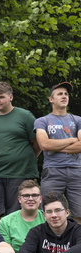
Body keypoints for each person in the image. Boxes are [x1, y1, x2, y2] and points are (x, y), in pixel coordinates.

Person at [0, 81, 39, 228]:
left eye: (1, 97)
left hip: (19, 172)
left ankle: (17, 249)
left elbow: (37, 143)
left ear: (10, 97)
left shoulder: (25, 116)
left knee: (17, 213)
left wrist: (26, 159)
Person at [35, 82, 81, 224]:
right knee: (49, 212)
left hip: (77, 171)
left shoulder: (78, 120)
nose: (64, 96)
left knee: (80, 213)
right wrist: (72, 140)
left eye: (66, 94)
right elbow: (44, 144)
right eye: (60, 94)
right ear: (51, 99)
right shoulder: (42, 121)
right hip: (53, 172)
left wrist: (54, 146)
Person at [0, 180, 45, 253]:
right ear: (19, 199)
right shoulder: (6, 221)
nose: (31, 199)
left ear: (40, 199)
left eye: (35, 195)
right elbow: (5, 252)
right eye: (26, 195)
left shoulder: (48, 219)